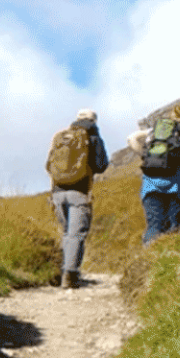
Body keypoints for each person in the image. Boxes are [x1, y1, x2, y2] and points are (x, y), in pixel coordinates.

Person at [46, 108, 110, 289]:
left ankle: (65, 270)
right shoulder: (94, 138)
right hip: (79, 192)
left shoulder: (62, 137)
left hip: (57, 193)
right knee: (75, 235)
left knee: (67, 233)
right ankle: (70, 275)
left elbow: (48, 165)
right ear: (94, 121)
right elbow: (101, 165)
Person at [126, 105, 180, 245]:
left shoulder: (155, 131)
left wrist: (144, 155)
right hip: (178, 187)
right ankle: (173, 261)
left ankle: (149, 259)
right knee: (176, 227)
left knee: (154, 226)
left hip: (151, 186)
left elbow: (131, 138)